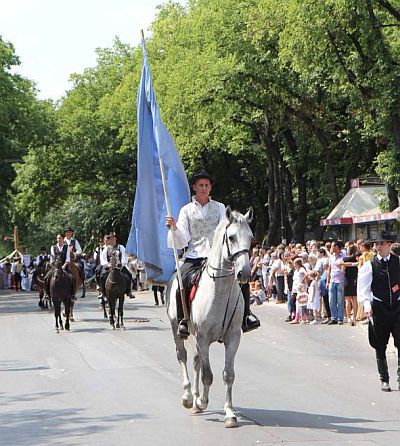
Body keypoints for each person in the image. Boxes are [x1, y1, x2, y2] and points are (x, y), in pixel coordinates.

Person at [166, 170, 260, 339]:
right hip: (195, 255)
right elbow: (183, 238)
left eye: (206, 185)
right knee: (183, 279)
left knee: (242, 278)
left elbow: (226, 232)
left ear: (210, 188)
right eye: (200, 185)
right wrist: (174, 228)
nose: (203, 188)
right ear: (194, 187)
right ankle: (183, 321)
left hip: (216, 255)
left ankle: (246, 315)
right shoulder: (186, 210)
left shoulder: (220, 208)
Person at [357, 231, 400, 392]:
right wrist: (367, 304)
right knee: (380, 344)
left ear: (389, 244)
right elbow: (363, 289)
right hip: (379, 308)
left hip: (397, 306)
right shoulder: (370, 265)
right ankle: (384, 378)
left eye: (381, 244)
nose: (378, 247)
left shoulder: (398, 262)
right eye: (376, 244)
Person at [99, 232, 133, 299]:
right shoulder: (106, 248)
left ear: (115, 239)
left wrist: (121, 264)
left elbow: (124, 257)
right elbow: (103, 258)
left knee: (128, 275)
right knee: (102, 276)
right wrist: (107, 264)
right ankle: (102, 292)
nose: (111, 240)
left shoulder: (121, 247)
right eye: (110, 239)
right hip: (109, 267)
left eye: (112, 238)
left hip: (120, 266)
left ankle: (129, 291)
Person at [326, 240, 345, 325]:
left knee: (340, 300)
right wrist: (328, 281)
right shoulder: (331, 257)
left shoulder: (343, 256)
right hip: (332, 280)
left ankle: (340, 318)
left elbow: (344, 267)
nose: (331, 248)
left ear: (337, 247)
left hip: (340, 280)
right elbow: (329, 269)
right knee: (331, 300)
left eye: (333, 246)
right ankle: (334, 317)